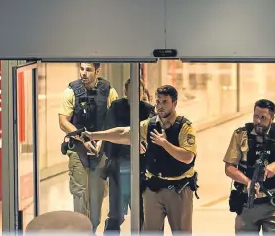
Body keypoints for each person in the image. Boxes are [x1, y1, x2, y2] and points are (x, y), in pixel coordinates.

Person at [82, 85, 199, 233]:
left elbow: (188, 157)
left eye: (165, 102)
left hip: (178, 189)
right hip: (154, 189)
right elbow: (123, 133)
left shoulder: (184, 127)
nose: (160, 106)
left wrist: (165, 144)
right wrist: (93, 135)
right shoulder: (150, 125)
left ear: (174, 103)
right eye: (158, 102)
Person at [58, 63, 119, 233]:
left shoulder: (109, 91)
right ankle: (81, 230)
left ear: (97, 72)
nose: (84, 73)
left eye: (89, 70)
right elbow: (63, 122)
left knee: (97, 196)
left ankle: (92, 228)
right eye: (82, 69)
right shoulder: (70, 91)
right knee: (80, 192)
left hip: (101, 150)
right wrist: (83, 137)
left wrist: (102, 139)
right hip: (78, 149)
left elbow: (115, 120)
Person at [224, 99, 275, 235]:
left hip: (274, 204)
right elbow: (229, 167)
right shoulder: (240, 135)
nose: (258, 121)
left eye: (263, 117)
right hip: (247, 203)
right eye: (256, 116)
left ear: (272, 118)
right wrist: (247, 182)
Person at [101, 78, 155, 234]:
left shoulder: (148, 110)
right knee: (115, 213)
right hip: (118, 166)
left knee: (141, 212)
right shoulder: (116, 107)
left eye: (138, 90)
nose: (134, 93)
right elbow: (111, 132)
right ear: (125, 92)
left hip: (141, 168)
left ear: (143, 92)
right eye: (130, 89)